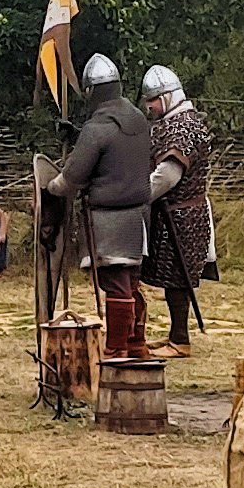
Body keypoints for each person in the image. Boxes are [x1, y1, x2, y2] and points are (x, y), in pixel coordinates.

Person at [46, 55, 157, 358]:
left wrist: (50, 187)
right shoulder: (137, 119)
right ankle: (136, 343)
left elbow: (72, 177)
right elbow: (114, 154)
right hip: (138, 215)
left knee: (116, 282)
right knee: (130, 282)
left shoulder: (98, 128)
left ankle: (117, 347)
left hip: (109, 218)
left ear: (92, 91)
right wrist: (78, 136)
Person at [141, 65, 218, 360]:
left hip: (183, 215)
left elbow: (167, 176)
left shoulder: (183, 126)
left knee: (177, 278)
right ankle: (176, 334)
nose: (149, 106)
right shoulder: (179, 120)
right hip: (178, 211)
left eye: (153, 99)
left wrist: (139, 196)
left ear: (168, 97)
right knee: (174, 277)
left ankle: (180, 341)